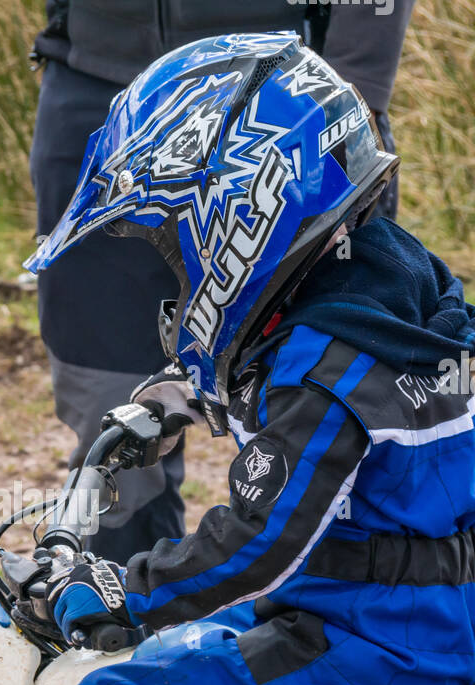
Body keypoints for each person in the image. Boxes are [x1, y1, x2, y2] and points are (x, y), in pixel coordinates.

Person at [25, 33, 475, 685]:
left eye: (178, 238)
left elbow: (258, 538)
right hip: (427, 602)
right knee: (191, 668)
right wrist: (182, 401)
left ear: (241, 211)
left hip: (368, 634)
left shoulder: (324, 356)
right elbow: (321, 429)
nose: (177, 262)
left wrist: (122, 592)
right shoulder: (378, 281)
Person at [30, 0, 416, 563]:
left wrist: (358, 81)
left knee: (325, 382)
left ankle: (345, 618)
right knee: (107, 403)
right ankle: (109, 612)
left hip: (279, 101)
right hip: (99, 86)